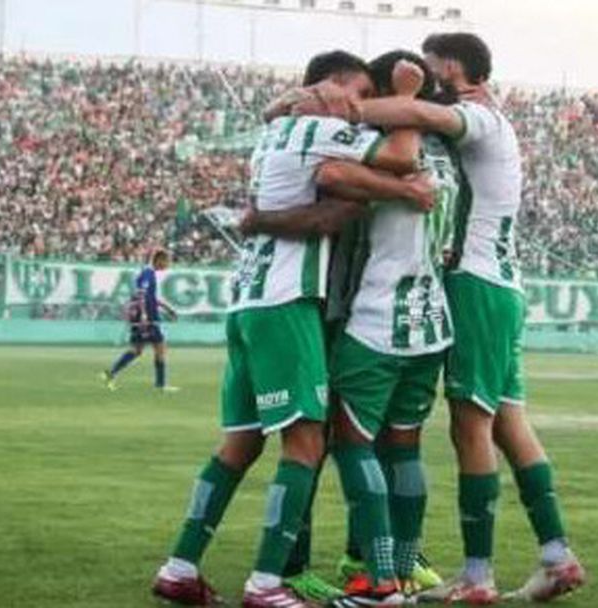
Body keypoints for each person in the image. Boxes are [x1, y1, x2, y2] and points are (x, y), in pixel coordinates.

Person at [309, 33, 587, 603]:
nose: (427, 80)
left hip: (472, 287)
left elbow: (411, 112)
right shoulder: (475, 126)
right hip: (498, 287)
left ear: (453, 71)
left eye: (433, 70)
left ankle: (476, 575)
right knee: (510, 422)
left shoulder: (474, 118)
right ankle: (556, 554)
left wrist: (331, 104)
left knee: (469, 427)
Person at [151, 49, 433, 608]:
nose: (360, 109)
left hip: (249, 302)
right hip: (287, 301)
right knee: (306, 441)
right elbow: (402, 154)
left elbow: (325, 204)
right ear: (328, 87)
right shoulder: (317, 128)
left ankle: (180, 566)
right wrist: (405, 109)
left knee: (239, 445)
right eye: (356, 96)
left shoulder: (276, 131)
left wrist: (367, 185)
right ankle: (265, 584)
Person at [247, 51, 457, 607]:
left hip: (372, 317)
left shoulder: (393, 150)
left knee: (339, 442)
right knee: (403, 447)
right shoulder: (446, 158)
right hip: (430, 321)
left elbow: (337, 172)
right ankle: (400, 569)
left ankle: (379, 580)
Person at [102, 248, 178, 391]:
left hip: (145, 317)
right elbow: (141, 295)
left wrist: (167, 308)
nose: (168, 264)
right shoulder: (148, 274)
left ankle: (110, 373)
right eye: (167, 261)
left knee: (136, 350)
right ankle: (160, 385)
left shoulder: (148, 273)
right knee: (160, 348)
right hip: (148, 318)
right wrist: (144, 314)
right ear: (159, 260)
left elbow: (150, 297)